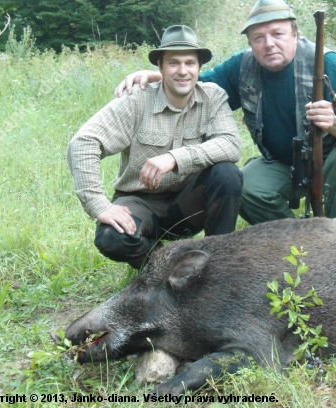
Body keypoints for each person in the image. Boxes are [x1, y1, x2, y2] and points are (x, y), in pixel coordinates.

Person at [114, 0, 336, 224]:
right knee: (244, 186)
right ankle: (298, 245)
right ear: (250, 42)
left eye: (277, 34)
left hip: (335, 154)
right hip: (282, 161)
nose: (268, 44)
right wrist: (154, 76)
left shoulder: (327, 62)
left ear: (294, 34)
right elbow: (196, 87)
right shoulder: (241, 67)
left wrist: (335, 123)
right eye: (259, 38)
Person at [68, 25, 242, 269]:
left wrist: (174, 158)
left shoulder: (213, 96)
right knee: (111, 237)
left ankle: (217, 267)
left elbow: (231, 144)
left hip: (188, 202)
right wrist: (99, 206)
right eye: (173, 63)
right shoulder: (136, 100)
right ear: (159, 67)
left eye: (190, 63)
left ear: (199, 68)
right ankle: (168, 267)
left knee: (228, 174)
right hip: (140, 200)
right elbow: (83, 143)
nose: (183, 71)